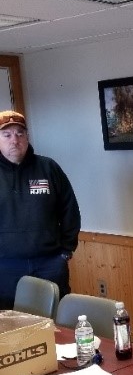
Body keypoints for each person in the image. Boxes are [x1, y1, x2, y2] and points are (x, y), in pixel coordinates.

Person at [0, 110, 81, 309]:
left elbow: (70, 209)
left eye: (20, 133)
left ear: (27, 136)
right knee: (11, 327)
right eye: (7, 135)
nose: (14, 140)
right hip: (5, 268)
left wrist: (65, 250)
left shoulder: (48, 168)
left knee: (56, 324)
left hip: (49, 264)